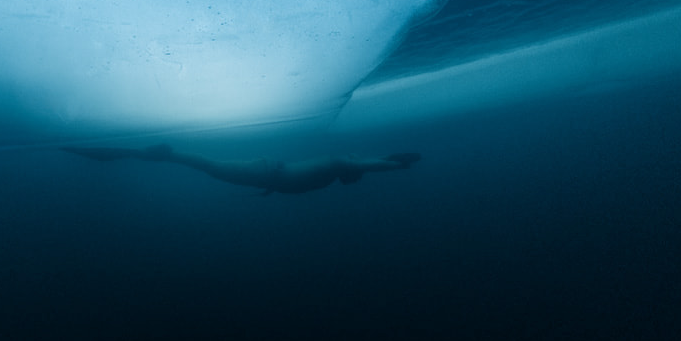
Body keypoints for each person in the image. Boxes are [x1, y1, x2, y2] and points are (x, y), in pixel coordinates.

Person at [63, 143, 421, 194]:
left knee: (207, 166)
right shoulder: (335, 168)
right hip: (265, 172)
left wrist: (392, 164)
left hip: (266, 173)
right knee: (205, 165)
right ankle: (154, 153)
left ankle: (162, 153)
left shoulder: (332, 170)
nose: (354, 158)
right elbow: (368, 165)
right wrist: (395, 164)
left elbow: (365, 165)